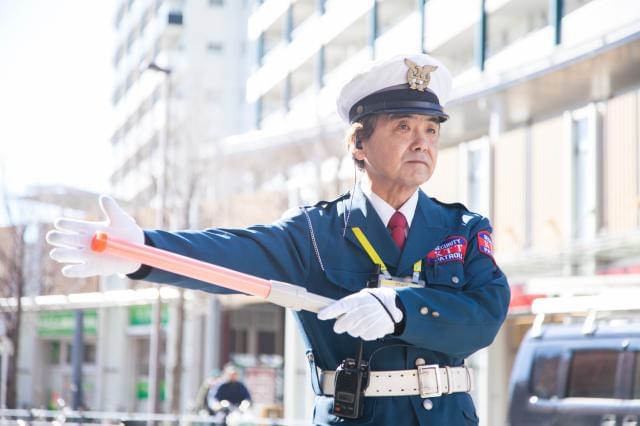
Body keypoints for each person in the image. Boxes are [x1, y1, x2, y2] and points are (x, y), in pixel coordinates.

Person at [47, 53, 510, 425]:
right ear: (359, 145)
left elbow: (485, 316)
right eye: (403, 127)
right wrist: (139, 250)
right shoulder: (316, 232)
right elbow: (231, 254)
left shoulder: (462, 229)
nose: (422, 142)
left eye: (431, 129)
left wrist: (401, 308)